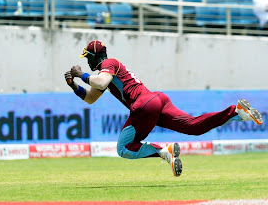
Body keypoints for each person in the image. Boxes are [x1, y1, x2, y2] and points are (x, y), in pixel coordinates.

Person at [64, 40, 263, 177]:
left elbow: (99, 82)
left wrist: (81, 75)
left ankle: (163, 151)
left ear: (95, 56)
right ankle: (236, 112)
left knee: (123, 148)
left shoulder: (109, 64)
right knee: (194, 127)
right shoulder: (104, 73)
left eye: (87, 57)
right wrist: (74, 85)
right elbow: (91, 97)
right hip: (157, 100)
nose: (86, 62)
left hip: (144, 104)